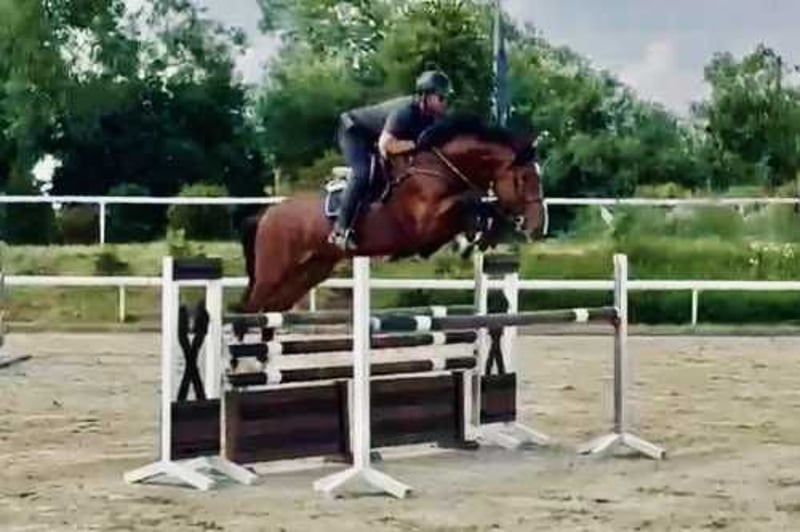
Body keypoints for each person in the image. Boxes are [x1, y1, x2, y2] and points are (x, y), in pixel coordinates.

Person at [327, 69, 452, 250]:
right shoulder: (405, 112)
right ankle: (340, 229)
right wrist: (416, 144)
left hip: (376, 135)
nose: (445, 102)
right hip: (353, 131)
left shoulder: (434, 117)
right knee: (364, 172)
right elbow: (387, 145)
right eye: (441, 98)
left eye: (447, 98)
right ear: (426, 96)